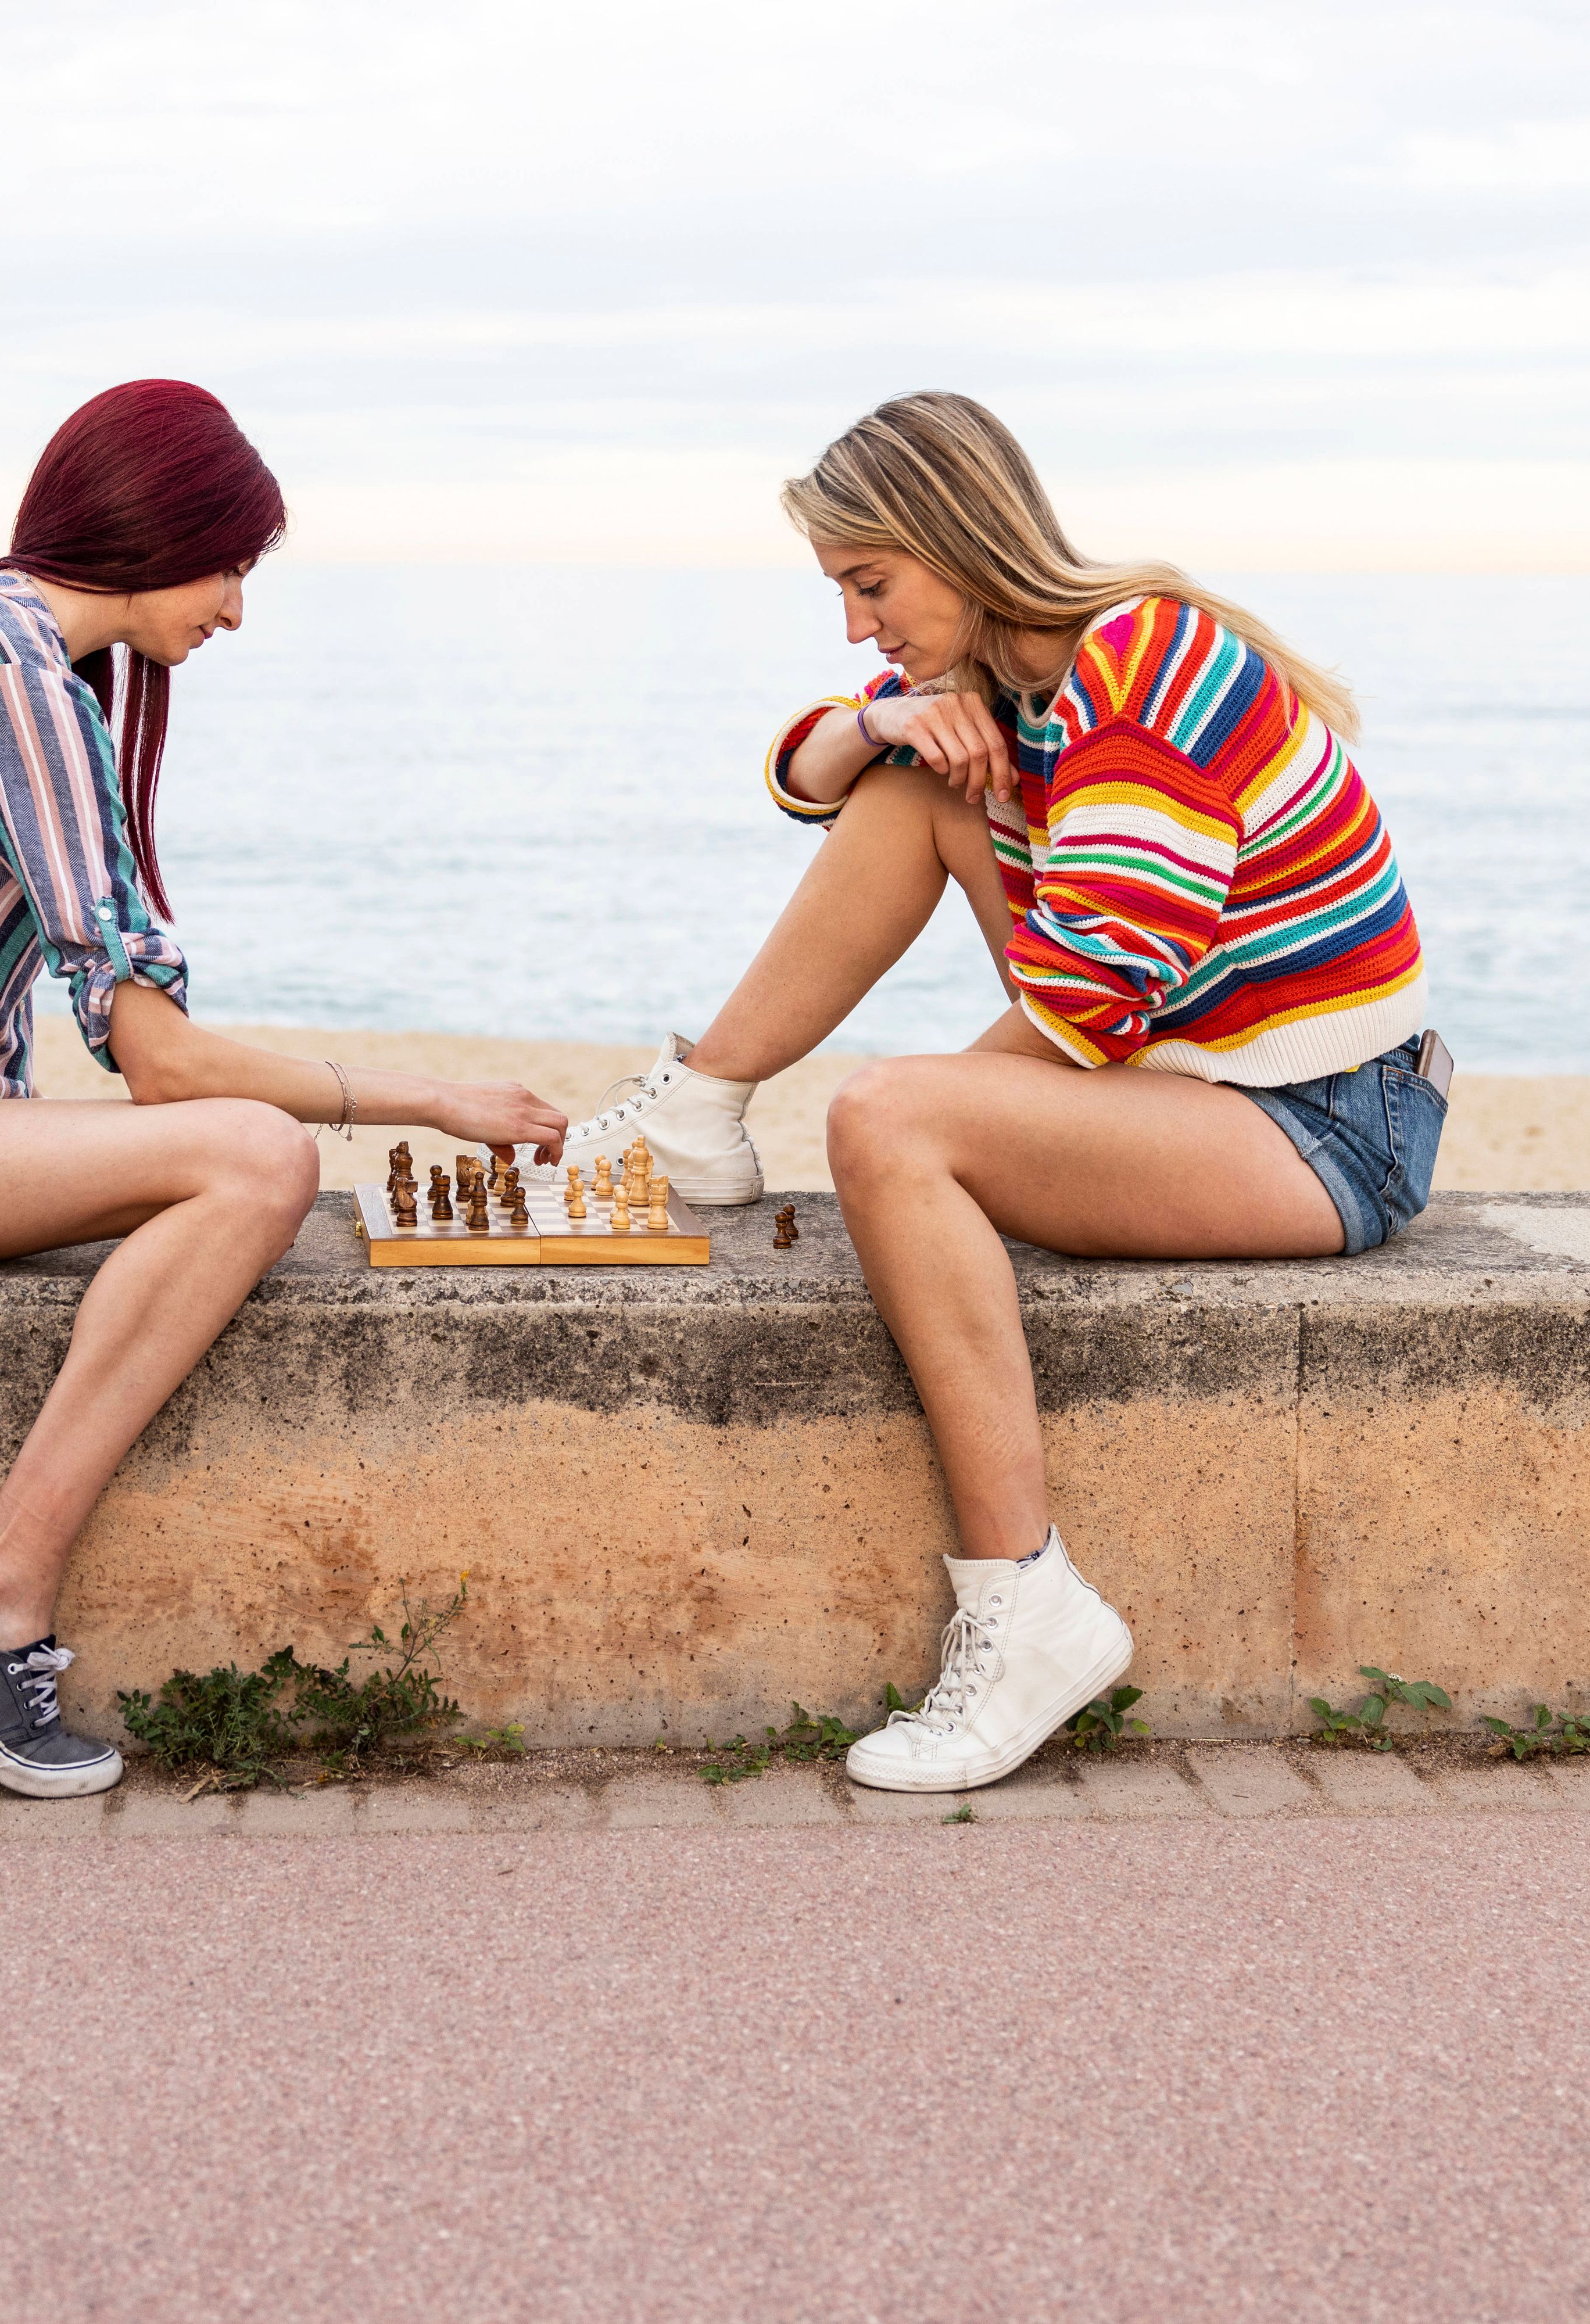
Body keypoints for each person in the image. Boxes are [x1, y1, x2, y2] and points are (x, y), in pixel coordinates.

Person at [0, 381, 567, 1798]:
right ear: (159, 532)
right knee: (257, 1163)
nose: (235, 611)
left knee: (235, 1155)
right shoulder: (18, 680)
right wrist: (436, 1097)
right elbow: (165, 1065)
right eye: (232, 567)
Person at [559, 392, 1447, 1794]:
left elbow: (1091, 1003)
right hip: (1188, 1076)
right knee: (915, 789)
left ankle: (1027, 1607)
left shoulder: (1146, 662)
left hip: (1326, 1123)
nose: (858, 624)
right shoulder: (1018, 681)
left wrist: (910, 1137)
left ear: (957, 540)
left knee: (888, 1118)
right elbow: (804, 770)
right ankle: (700, 1097)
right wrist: (891, 718)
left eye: (872, 585)